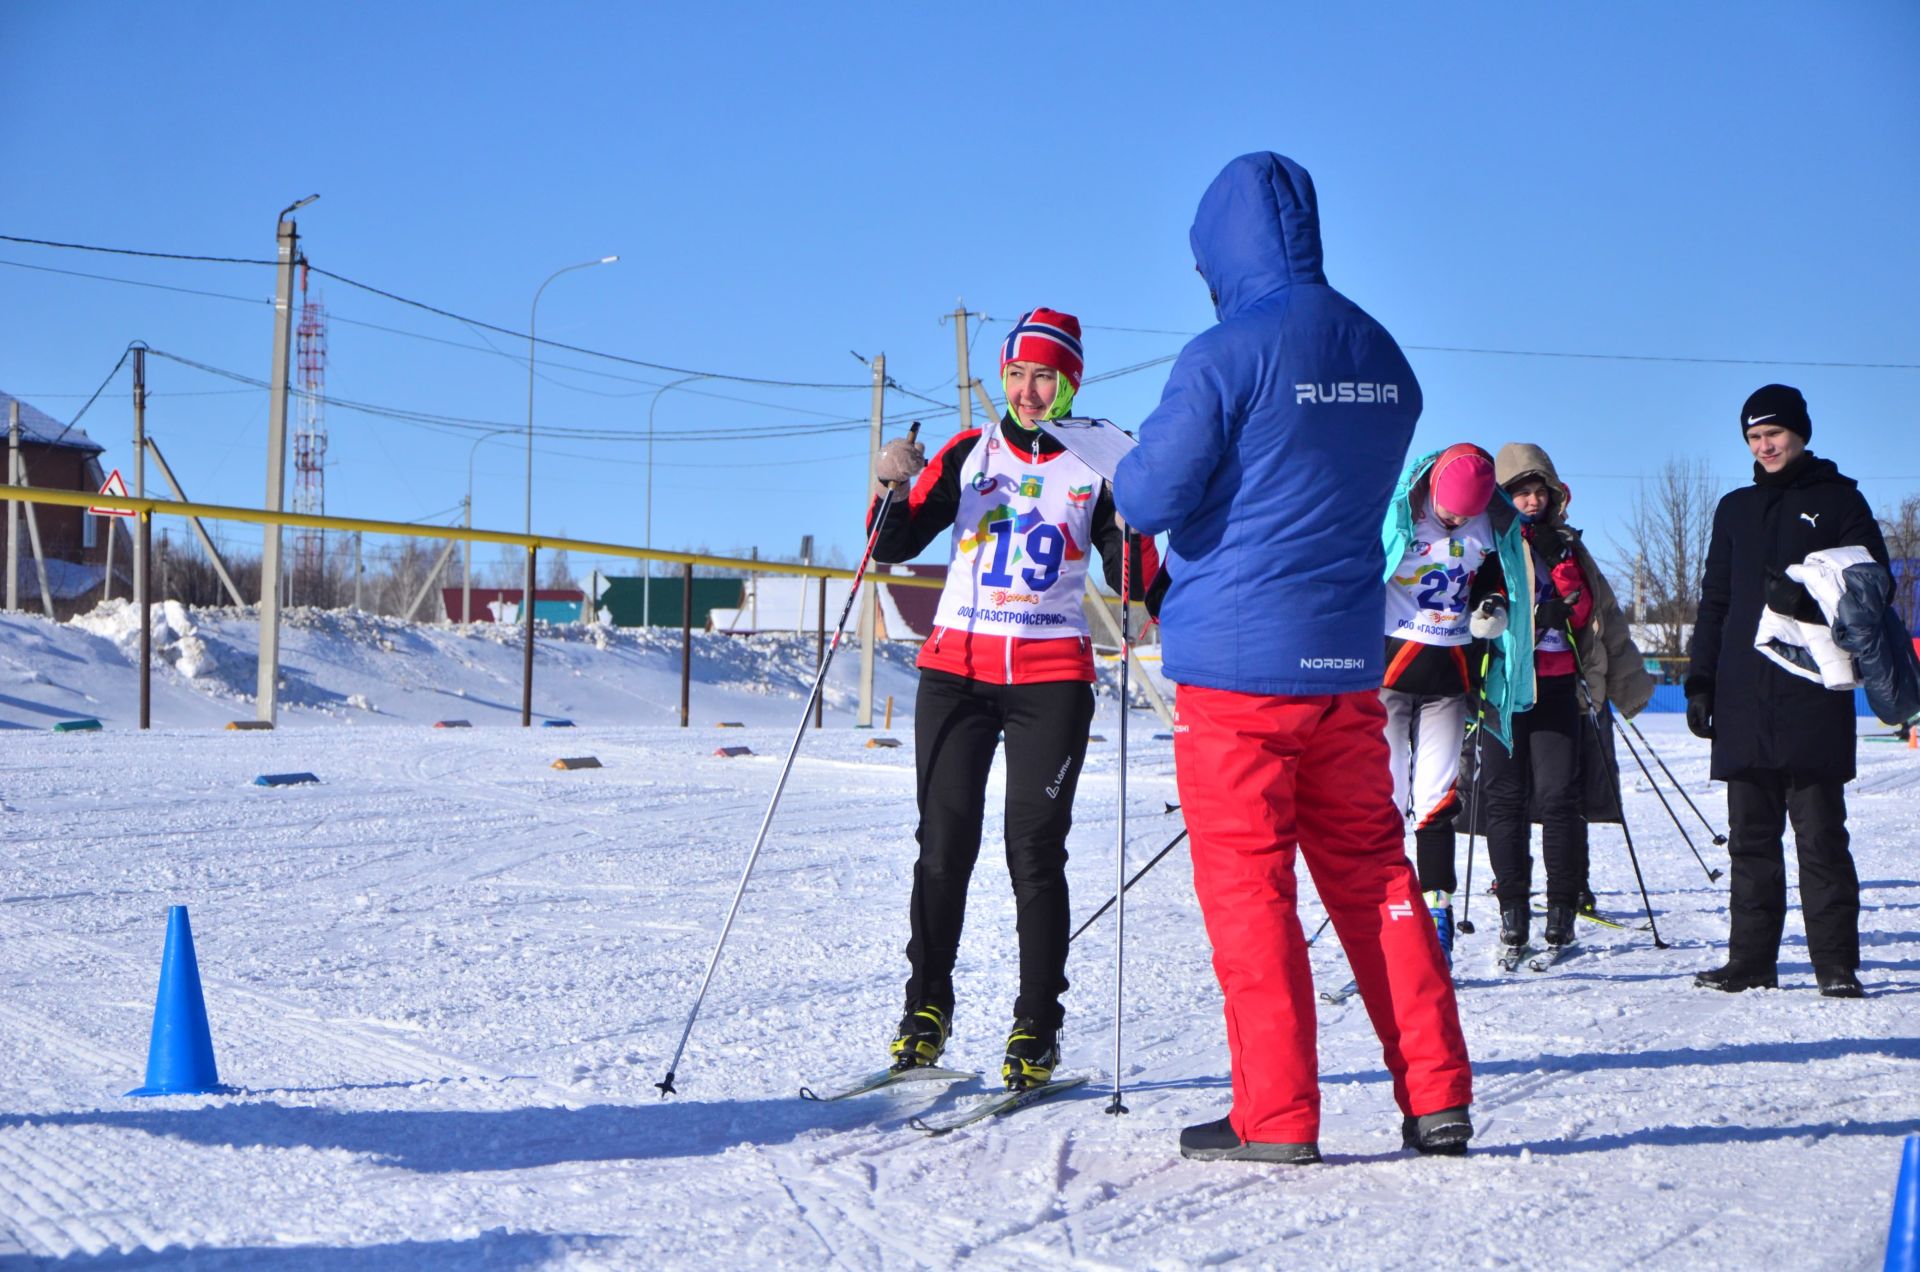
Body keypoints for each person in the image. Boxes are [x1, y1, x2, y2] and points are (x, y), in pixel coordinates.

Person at [1113, 152, 1473, 1163]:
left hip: (1236, 672)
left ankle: (1275, 1116)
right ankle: (1437, 1095)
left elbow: (1146, 499)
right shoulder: (1383, 351)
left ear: (1222, 249)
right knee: (1375, 877)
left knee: (1251, 890)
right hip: (1347, 667)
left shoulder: (1223, 353)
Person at [866, 307, 1157, 1088]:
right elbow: (891, 546)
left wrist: (1138, 522)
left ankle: (1036, 1026)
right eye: (1019, 376)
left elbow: (1137, 580)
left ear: (1070, 383)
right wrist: (891, 484)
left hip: (1049, 681)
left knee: (1033, 852)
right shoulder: (970, 451)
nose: (1029, 393)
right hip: (956, 672)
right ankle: (925, 1011)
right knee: (942, 846)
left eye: (1045, 378)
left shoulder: (1100, 457)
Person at [1686, 384, 1888, 998]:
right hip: (1744, 695)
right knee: (1750, 842)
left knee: (1821, 837)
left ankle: (1835, 965)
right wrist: (1701, 679)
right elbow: (1715, 600)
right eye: (1754, 437)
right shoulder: (1735, 509)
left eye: (1773, 433)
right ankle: (1751, 961)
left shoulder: (1839, 500)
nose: (1765, 445)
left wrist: (1805, 599)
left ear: (1800, 433)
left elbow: (1872, 586)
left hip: (1811, 692)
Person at [1481, 442, 1654, 955]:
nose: (1531, 501)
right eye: (1521, 493)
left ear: (1555, 496)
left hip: (1560, 687)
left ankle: (1562, 911)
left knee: (1560, 800)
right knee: (1505, 801)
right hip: (1504, 692)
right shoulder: (1487, 546)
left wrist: (1567, 608)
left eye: (1539, 492)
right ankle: (1512, 913)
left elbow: (1602, 620)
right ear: (1503, 498)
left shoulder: (1569, 547)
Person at [1378, 443, 1531, 966]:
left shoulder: (1490, 526)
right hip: (1388, 669)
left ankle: (1437, 919)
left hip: (1450, 674)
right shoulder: (1400, 514)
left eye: (1466, 515)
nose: (1455, 520)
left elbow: (1496, 584)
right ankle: (1383, 914)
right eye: (1448, 511)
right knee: (1385, 794)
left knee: (1437, 798)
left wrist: (1494, 608)